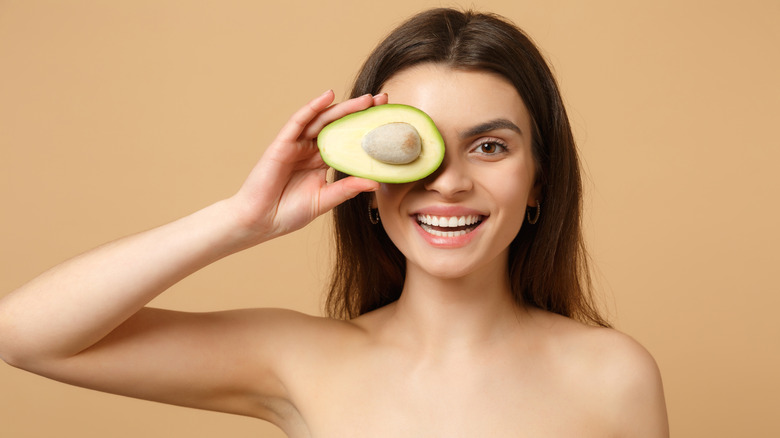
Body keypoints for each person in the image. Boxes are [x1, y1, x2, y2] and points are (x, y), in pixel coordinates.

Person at [0, 8, 668, 437]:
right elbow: (27, 335)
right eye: (413, 147)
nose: (449, 181)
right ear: (369, 187)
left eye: (490, 146)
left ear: (539, 182)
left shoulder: (612, 375)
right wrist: (240, 219)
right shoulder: (304, 360)